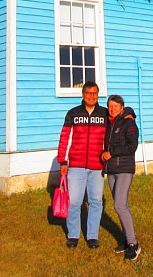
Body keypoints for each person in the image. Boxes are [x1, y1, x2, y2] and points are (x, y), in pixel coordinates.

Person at [57, 81, 109, 249]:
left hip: (97, 166)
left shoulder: (105, 114)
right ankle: (73, 235)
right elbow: (64, 138)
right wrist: (62, 161)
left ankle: (92, 236)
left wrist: (129, 114)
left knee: (95, 201)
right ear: (83, 94)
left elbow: (119, 124)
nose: (91, 96)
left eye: (95, 93)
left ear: (98, 95)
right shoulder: (73, 113)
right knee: (75, 202)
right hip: (76, 165)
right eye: (88, 93)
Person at [102, 94, 141, 261]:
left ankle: (133, 244)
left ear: (122, 107)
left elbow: (132, 147)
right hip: (111, 170)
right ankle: (126, 240)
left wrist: (111, 153)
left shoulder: (128, 122)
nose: (112, 109)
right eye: (110, 106)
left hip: (124, 169)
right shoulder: (110, 124)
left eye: (115, 106)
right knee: (121, 205)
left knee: (119, 205)